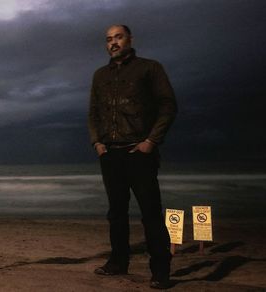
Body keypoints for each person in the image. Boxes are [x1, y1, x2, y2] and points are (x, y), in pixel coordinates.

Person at [87, 24, 177, 289]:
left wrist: (151, 141)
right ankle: (118, 261)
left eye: (118, 37)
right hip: (110, 153)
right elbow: (92, 112)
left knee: (150, 212)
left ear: (130, 39)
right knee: (116, 212)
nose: (113, 43)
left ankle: (160, 271)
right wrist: (97, 143)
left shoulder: (149, 68)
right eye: (108, 39)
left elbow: (168, 106)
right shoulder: (100, 75)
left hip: (139, 151)